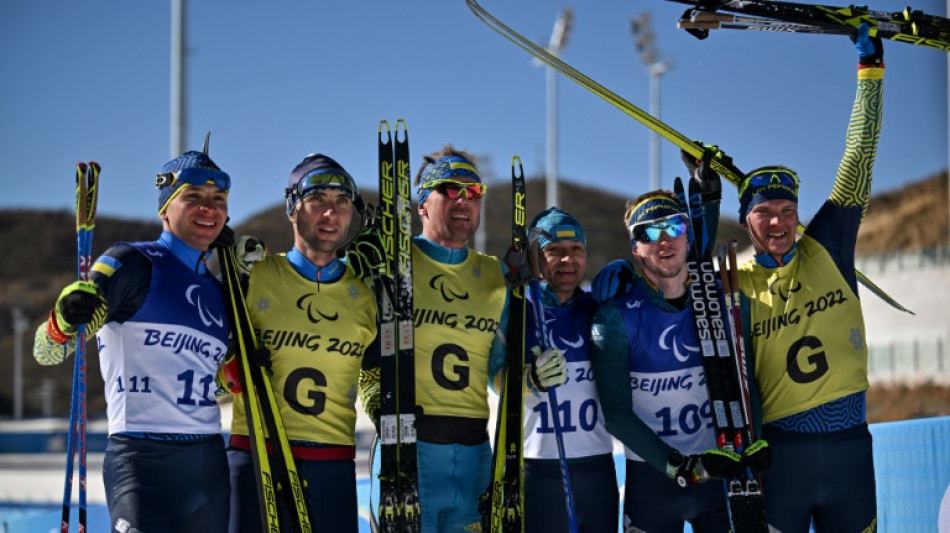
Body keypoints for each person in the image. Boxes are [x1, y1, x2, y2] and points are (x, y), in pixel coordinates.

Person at [33, 147, 234, 533]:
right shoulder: (132, 263)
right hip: (141, 460)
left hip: (207, 463)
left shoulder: (221, 291)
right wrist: (62, 321)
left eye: (218, 200)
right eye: (193, 197)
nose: (208, 208)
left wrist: (233, 378)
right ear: (165, 209)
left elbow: (203, 376)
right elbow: (47, 351)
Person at [733, 25, 884, 532]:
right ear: (746, 221)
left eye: (787, 210)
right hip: (783, 458)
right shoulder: (732, 281)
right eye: (765, 213)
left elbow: (858, 158)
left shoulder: (827, 244)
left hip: (850, 452)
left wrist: (870, 73)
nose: (778, 222)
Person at [590, 180, 766, 532]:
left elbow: (747, 383)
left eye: (674, 226)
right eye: (649, 233)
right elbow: (617, 414)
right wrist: (679, 466)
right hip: (654, 480)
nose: (664, 240)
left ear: (688, 236)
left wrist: (756, 438)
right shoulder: (616, 315)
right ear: (635, 248)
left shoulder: (726, 299)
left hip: (721, 474)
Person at [224, 153, 377, 533]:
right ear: (292, 208)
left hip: (333, 466)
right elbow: (206, 372)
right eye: (318, 201)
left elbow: (374, 376)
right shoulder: (254, 274)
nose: (331, 213)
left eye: (342, 202)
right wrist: (229, 372)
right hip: (256, 456)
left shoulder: (367, 295)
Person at [358, 145, 508, 532]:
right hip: (409, 452)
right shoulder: (393, 261)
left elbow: (497, 370)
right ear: (422, 203)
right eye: (450, 189)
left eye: (473, 191)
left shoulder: (496, 276)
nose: (463, 199)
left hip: (476, 455)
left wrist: (532, 375)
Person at [521, 207, 617, 533]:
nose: (567, 260)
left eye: (576, 250)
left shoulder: (601, 309)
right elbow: (493, 378)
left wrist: (629, 274)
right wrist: (529, 379)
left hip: (597, 468)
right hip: (538, 469)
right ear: (535, 258)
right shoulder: (517, 309)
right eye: (554, 251)